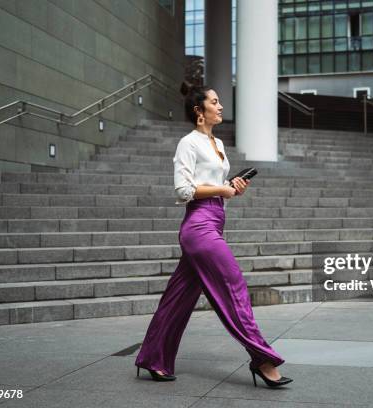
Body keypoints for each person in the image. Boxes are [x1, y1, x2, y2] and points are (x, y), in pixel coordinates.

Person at [134, 81, 292, 388]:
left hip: (215, 221)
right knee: (234, 287)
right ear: (199, 111)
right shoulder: (188, 143)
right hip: (199, 226)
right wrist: (221, 189)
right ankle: (262, 358)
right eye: (215, 102)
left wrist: (232, 186)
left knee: (177, 299)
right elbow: (182, 190)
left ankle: (153, 358)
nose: (221, 106)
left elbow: (216, 186)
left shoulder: (217, 145)